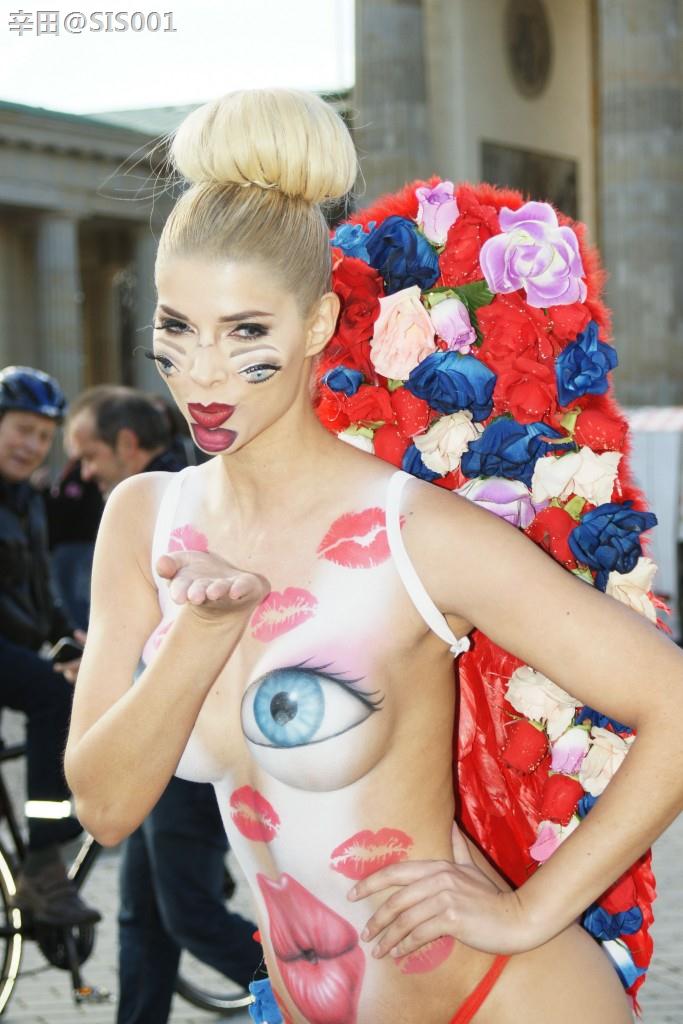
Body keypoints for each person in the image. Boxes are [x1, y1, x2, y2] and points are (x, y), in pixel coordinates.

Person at [63, 89, 683, 1024]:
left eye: (246, 332)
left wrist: (528, 913)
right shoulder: (144, 518)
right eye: (177, 327)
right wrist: (201, 634)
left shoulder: (411, 530)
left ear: (317, 326)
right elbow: (104, 807)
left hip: (500, 1001)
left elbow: (670, 702)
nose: (203, 374)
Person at [65, 384, 264, 1024]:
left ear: (126, 444)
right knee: (143, 916)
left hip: (187, 743)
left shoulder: (185, 500)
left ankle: (307, 995)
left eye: (89, 455)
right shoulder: (166, 496)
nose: (82, 472)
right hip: (151, 741)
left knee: (188, 913)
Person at [0, 365, 100, 926]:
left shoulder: (27, 500)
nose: (32, 445)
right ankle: (43, 865)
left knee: (77, 687)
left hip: (13, 645)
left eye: (43, 436)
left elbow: (39, 589)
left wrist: (66, 638)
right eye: (21, 430)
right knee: (50, 696)